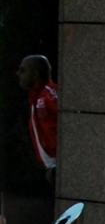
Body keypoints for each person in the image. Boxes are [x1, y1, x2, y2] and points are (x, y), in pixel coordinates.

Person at [17, 54, 57, 183]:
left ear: (35, 75)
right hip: (52, 166)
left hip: (58, 164)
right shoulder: (36, 97)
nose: (18, 74)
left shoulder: (49, 95)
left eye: (22, 70)